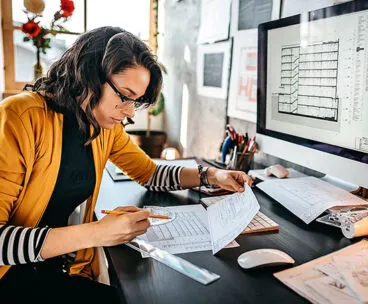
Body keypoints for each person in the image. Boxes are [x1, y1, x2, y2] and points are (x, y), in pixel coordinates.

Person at [0, 26, 252, 303]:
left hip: (58, 270)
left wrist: (211, 175)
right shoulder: (20, 117)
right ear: (88, 75)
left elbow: (150, 172)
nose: (130, 112)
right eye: (124, 95)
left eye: (136, 101)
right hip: (12, 278)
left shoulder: (101, 126)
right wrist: (98, 232)